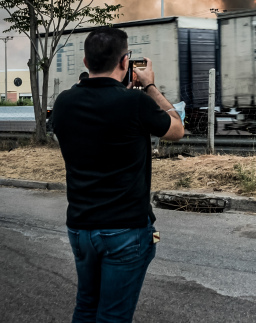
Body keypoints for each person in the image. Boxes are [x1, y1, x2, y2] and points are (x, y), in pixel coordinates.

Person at [53, 27, 184, 323]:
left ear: (86, 62)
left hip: (81, 227)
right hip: (125, 229)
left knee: (86, 308)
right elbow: (177, 128)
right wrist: (150, 86)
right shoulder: (135, 103)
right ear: (126, 62)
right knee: (113, 317)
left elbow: (96, 113)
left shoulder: (63, 103)